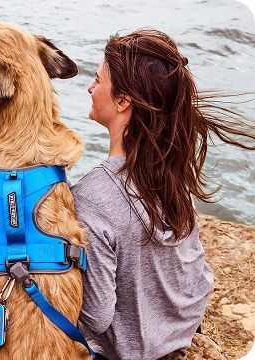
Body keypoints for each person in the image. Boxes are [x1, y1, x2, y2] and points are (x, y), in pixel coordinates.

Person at [70, 29, 255, 360]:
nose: (90, 88)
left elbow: (95, 316)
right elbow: (197, 271)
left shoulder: (91, 196)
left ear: (123, 101)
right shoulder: (169, 169)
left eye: (98, 81)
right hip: (182, 331)